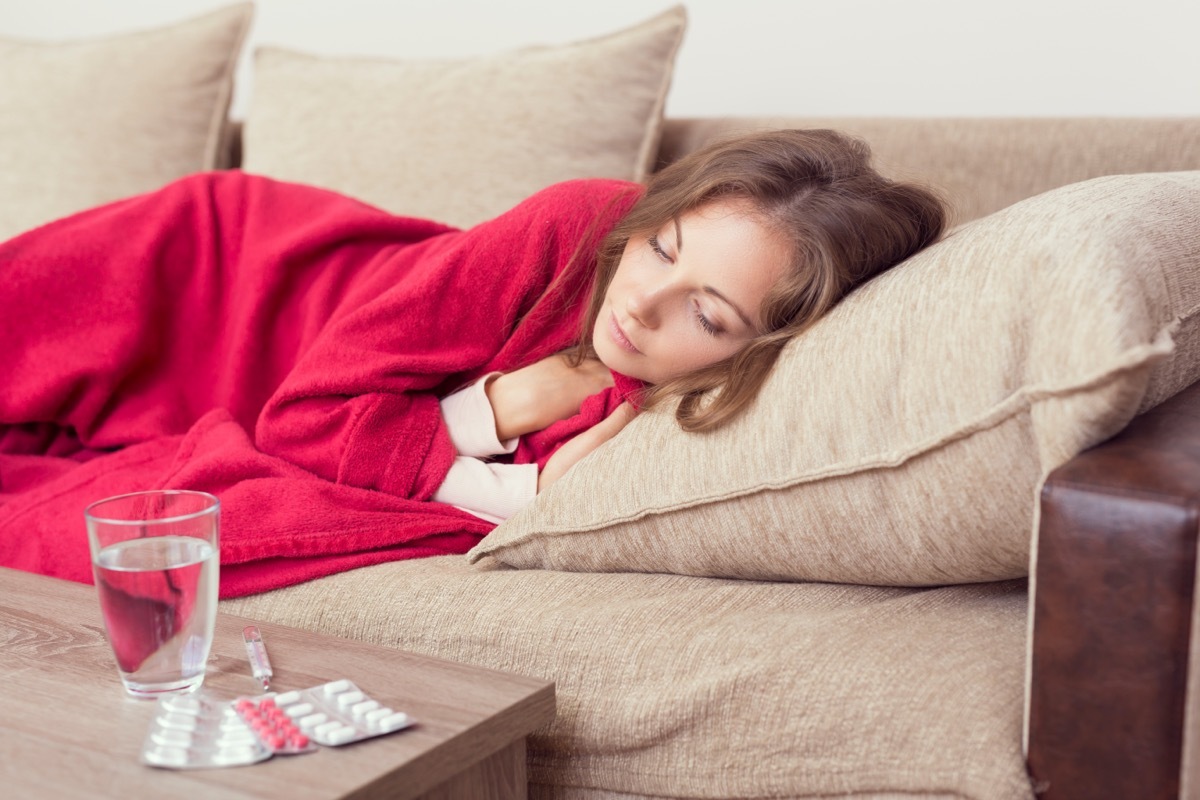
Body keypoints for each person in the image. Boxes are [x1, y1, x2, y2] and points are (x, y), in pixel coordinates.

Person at [0, 128, 946, 593]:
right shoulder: (582, 225)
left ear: (760, 344)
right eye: (661, 251)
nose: (640, 305)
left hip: (271, 397)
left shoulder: (698, 412)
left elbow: (342, 456)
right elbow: (303, 422)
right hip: (237, 280)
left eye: (704, 310)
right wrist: (512, 400)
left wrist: (512, 481)